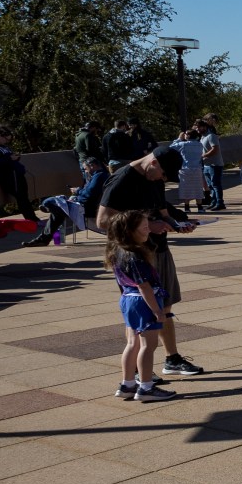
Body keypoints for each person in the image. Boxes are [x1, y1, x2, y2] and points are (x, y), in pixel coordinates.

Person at [96, 147, 206, 379]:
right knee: (143, 311)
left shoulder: (154, 177)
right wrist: (145, 225)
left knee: (164, 306)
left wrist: (177, 223)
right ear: (153, 162)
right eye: (163, 174)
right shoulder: (122, 179)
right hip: (135, 253)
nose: (163, 180)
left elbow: (162, 211)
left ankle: (172, 359)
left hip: (159, 248)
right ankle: (138, 372)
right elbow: (103, 220)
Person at [102, 210, 177, 403]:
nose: (148, 230)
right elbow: (144, 286)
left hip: (128, 299)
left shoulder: (117, 250)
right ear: (130, 231)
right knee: (148, 345)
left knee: (132, 344)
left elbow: (122, 283)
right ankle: (146, 387)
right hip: (143, 301)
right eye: (144, 227)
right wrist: (157, 311)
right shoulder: (135, 255)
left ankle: (127, 384)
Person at [0, 126, 39, 221]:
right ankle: (32, 220)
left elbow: (7, 157)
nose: (7, 141)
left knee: (24, 197)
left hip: (16, 174)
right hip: (7, 175)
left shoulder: (1, 145)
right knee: (22, 197)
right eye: (6, 139)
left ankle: (32, 219)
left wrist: (15, 157)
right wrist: (9, 159)